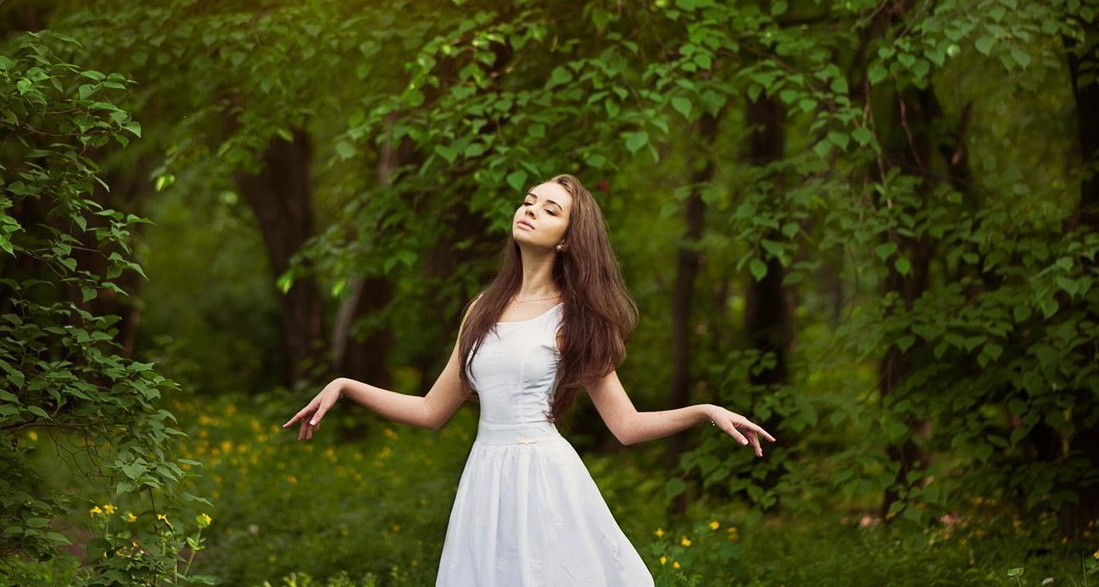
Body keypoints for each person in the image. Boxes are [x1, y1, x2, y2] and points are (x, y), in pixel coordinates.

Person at [283, 173, 776, 586]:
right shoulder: (483, 308)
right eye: (528, 201)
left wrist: (705, 411)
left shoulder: (576, 318)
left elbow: (626, 425)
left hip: (542, 479)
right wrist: (346, 385)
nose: (531, 209)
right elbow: (431, 411)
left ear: (566, 239)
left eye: (550, 209)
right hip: (484, 479)